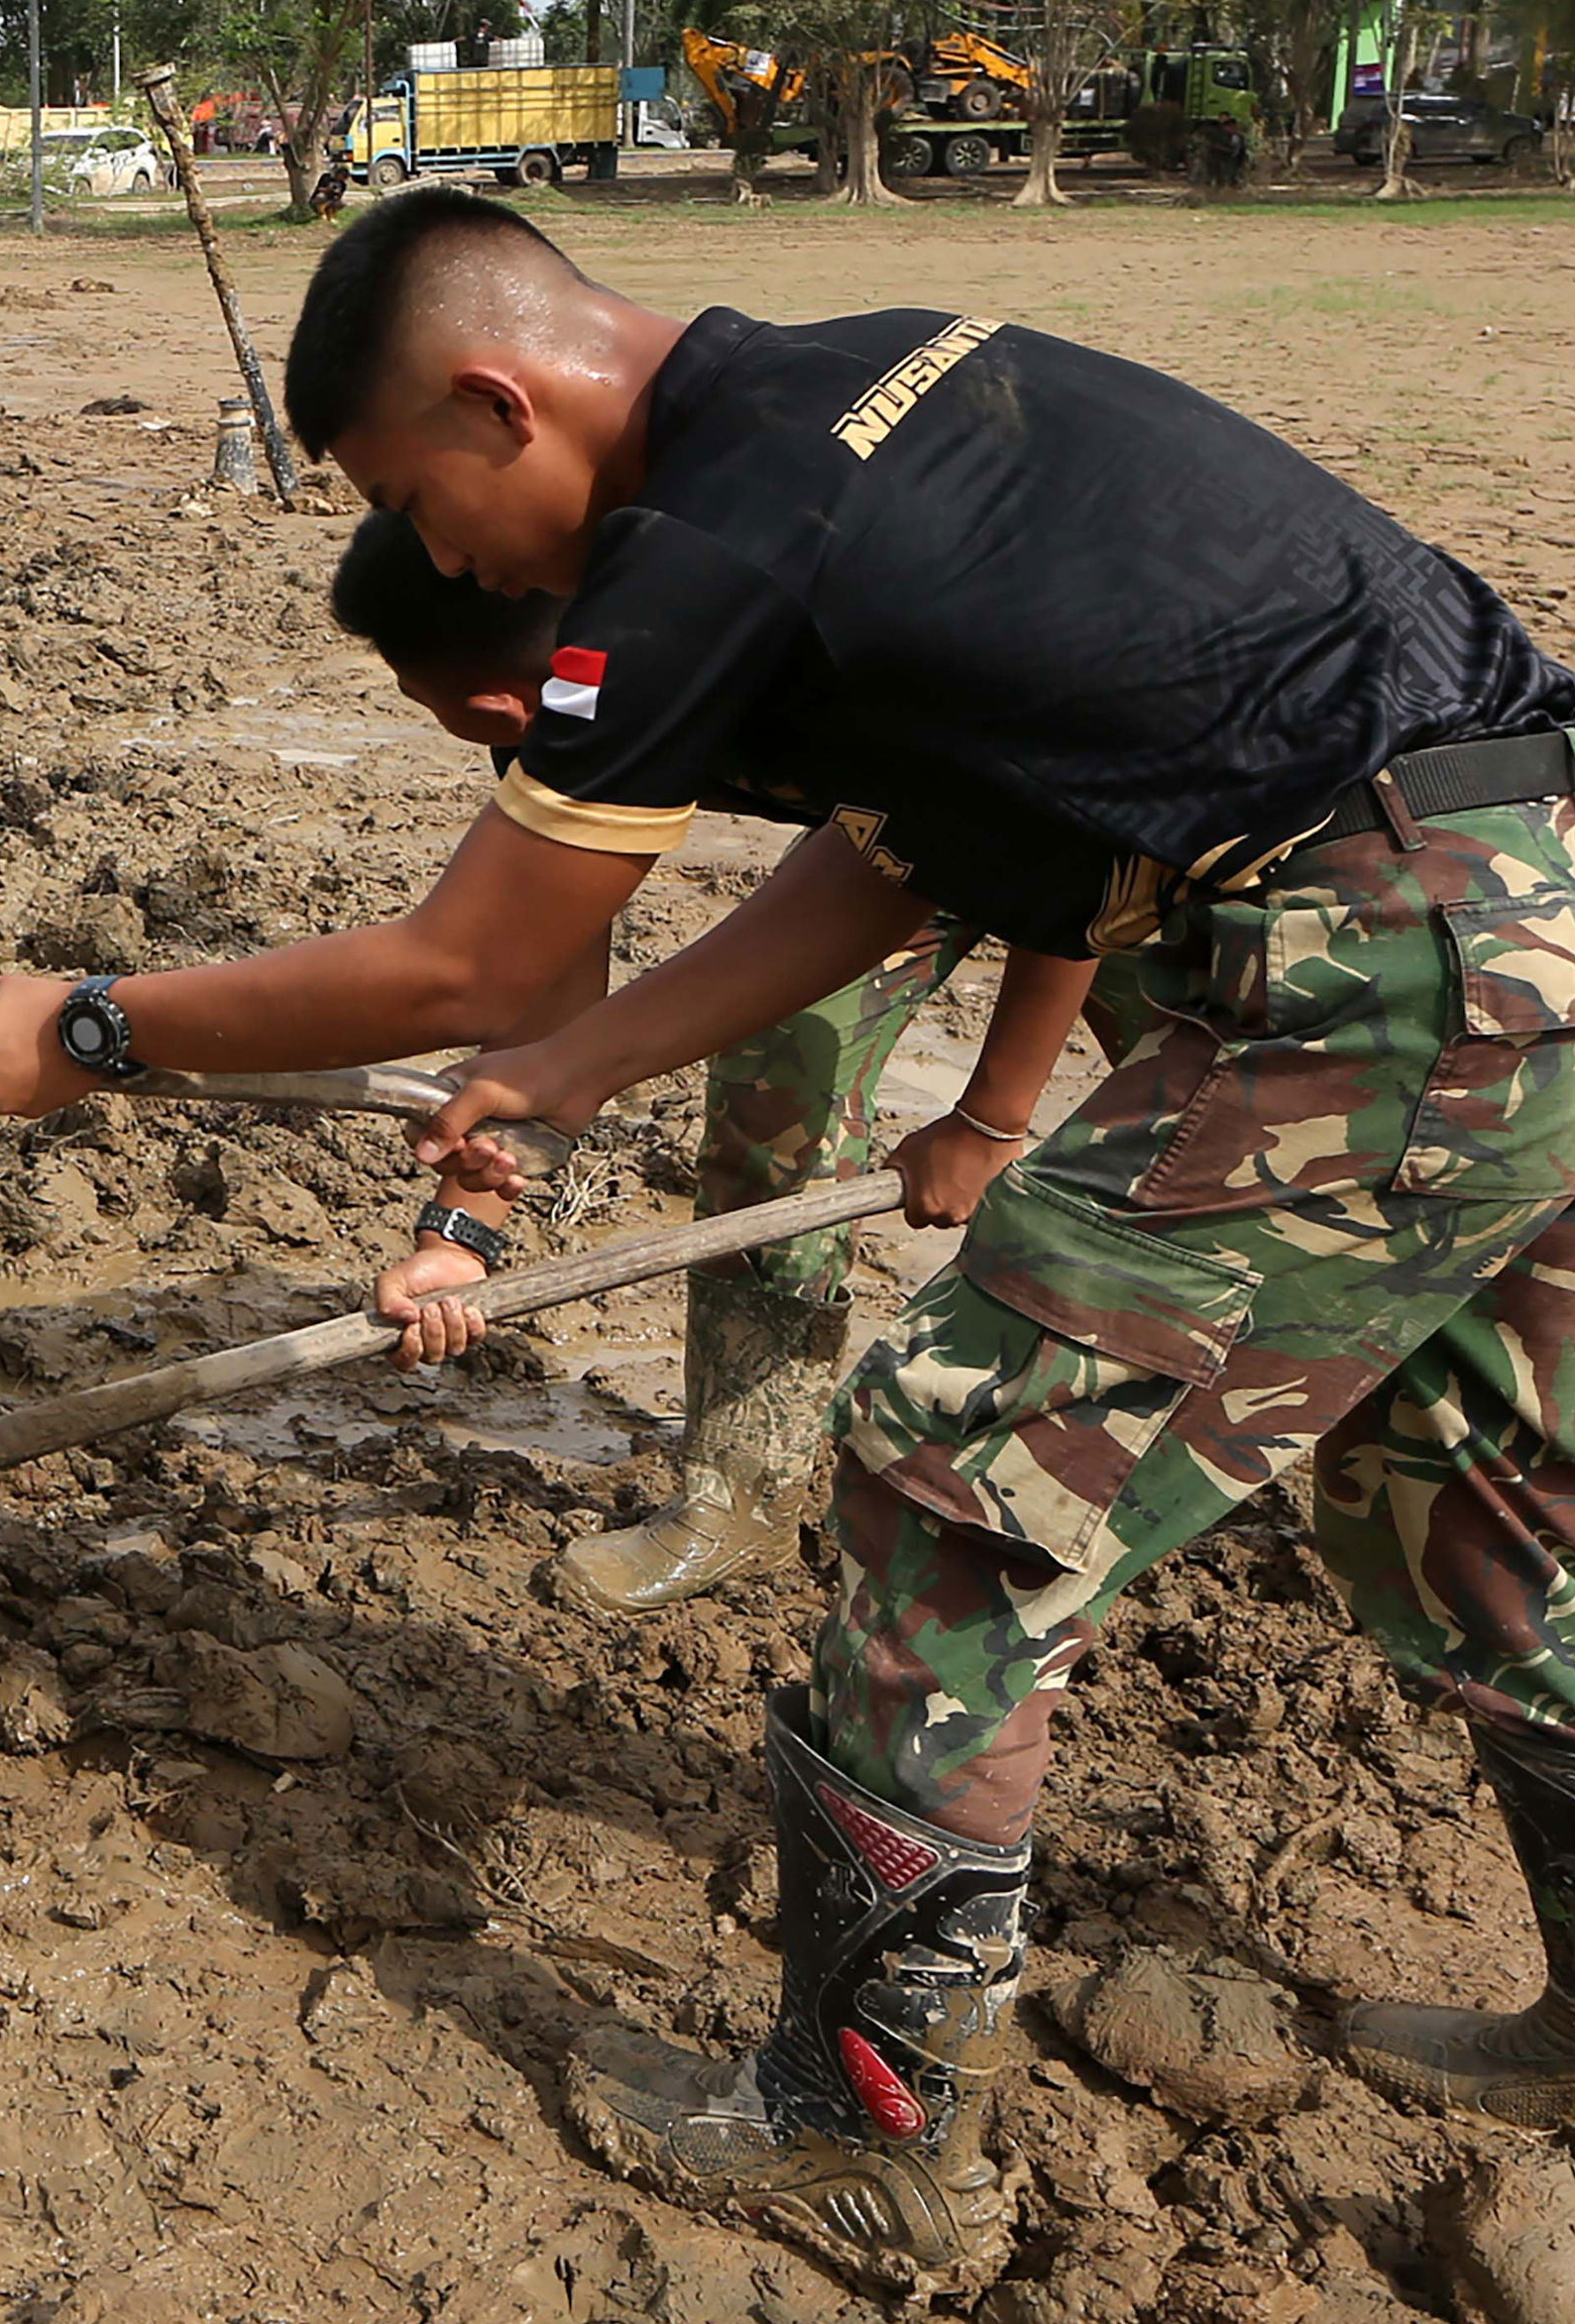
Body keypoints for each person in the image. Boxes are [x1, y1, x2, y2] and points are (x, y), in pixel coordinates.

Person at [0, 190, 1575, 2284]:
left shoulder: (698, 537)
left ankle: (860, 2127)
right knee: (1464, 1498)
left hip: (1412, 976)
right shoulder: (868, 398)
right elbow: (894, 858)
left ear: (494, 399)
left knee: (944, 1483)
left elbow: (460, 960)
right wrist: (578, 1067)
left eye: (414, 504)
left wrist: (92, 1024)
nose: (450, 562)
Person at [324, 508, 1101, 1609]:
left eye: (417, 694)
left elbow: (1072, 846)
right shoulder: (565, 710)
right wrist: (461, 1234)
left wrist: (989, 1117)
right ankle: (741, 1494)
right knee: (780, 1062)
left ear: (489, 699)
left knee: (1237, 1123)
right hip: (893, 835)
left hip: (1156, 826)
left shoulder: (824, 632)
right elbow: (553, 985)